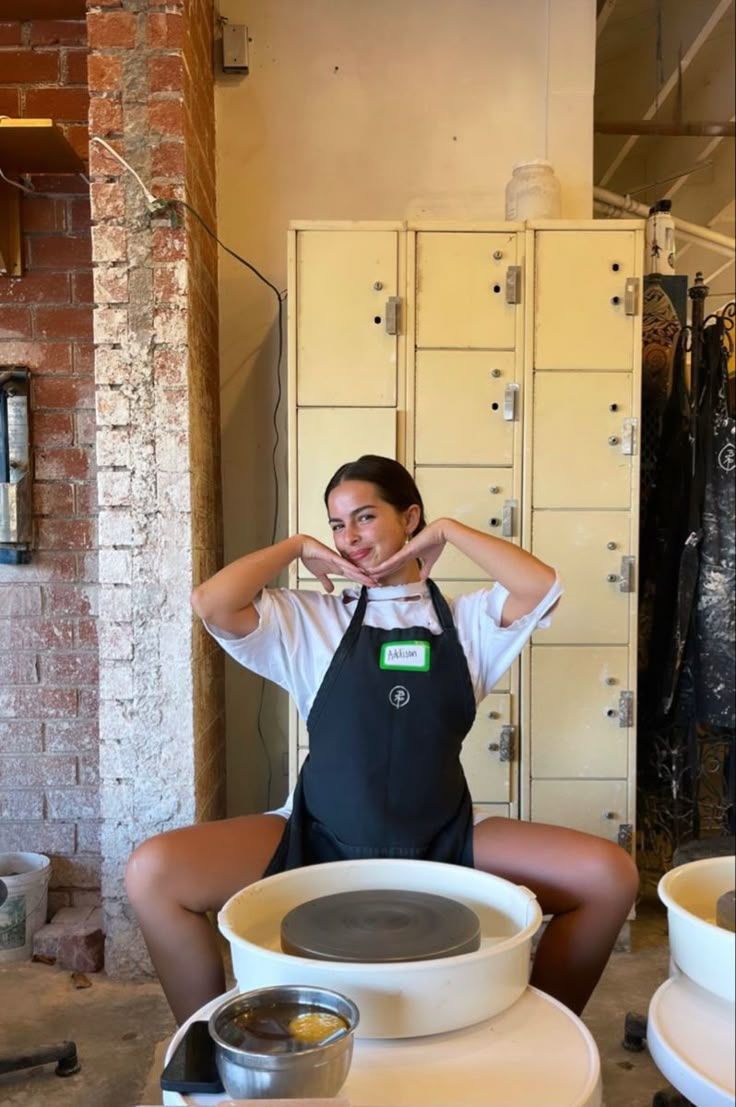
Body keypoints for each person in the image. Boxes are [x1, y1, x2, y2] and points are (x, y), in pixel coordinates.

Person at [126, 455, 638, 1025]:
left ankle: (540, 1032)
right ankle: (211, 1049)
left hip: (445, 841)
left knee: (608, 877)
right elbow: (212, 603)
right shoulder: (311, 619)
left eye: (365, 518)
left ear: (409, 516)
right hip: (315, 839)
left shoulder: (469, 624)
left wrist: (446, 532)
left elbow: (541, 586)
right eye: (338, 524)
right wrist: (297, 547)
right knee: (154, 872)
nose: (349, 539)